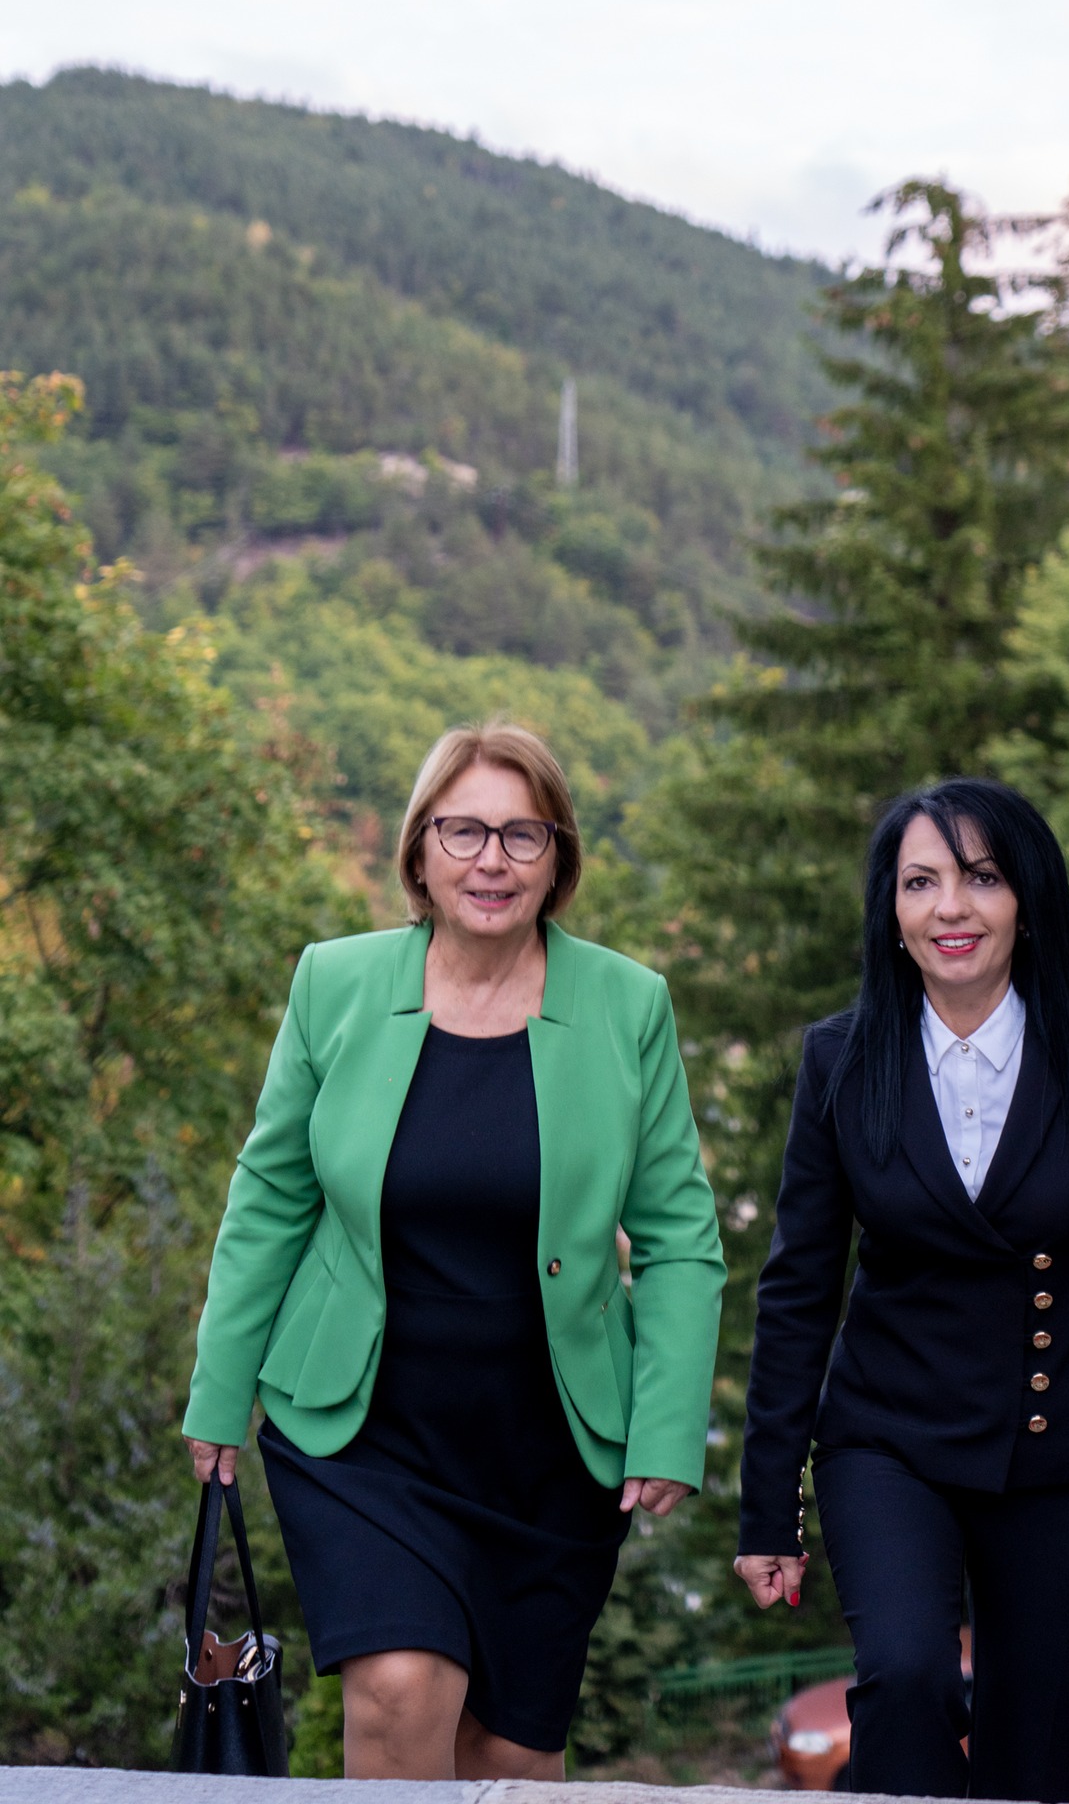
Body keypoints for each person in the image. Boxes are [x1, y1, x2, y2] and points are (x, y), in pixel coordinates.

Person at [184, 722, 725, 1782]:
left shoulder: (628, 1004)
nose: (492, 859)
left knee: (509, 1757)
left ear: (558, 860)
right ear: (419, 851)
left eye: (524, 835)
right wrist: (219, 1386)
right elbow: (271, 1196)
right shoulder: (334, 983)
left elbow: (679, 1236)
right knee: (398, 1690)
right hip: (363, 1427)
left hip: (550, 1447)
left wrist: (667, 1426)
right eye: (464, 830)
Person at [734, 777, 1069, 1804]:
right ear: (891, 910)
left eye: (981, 877)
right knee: (905, 1677)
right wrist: (768, 1507)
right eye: (920, 882)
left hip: (1063, 1446)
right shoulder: (839, 1060)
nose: (949, 907)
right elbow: (799, 1288)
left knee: (1036, 1751)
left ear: (1027, 899)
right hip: (889, 1440)